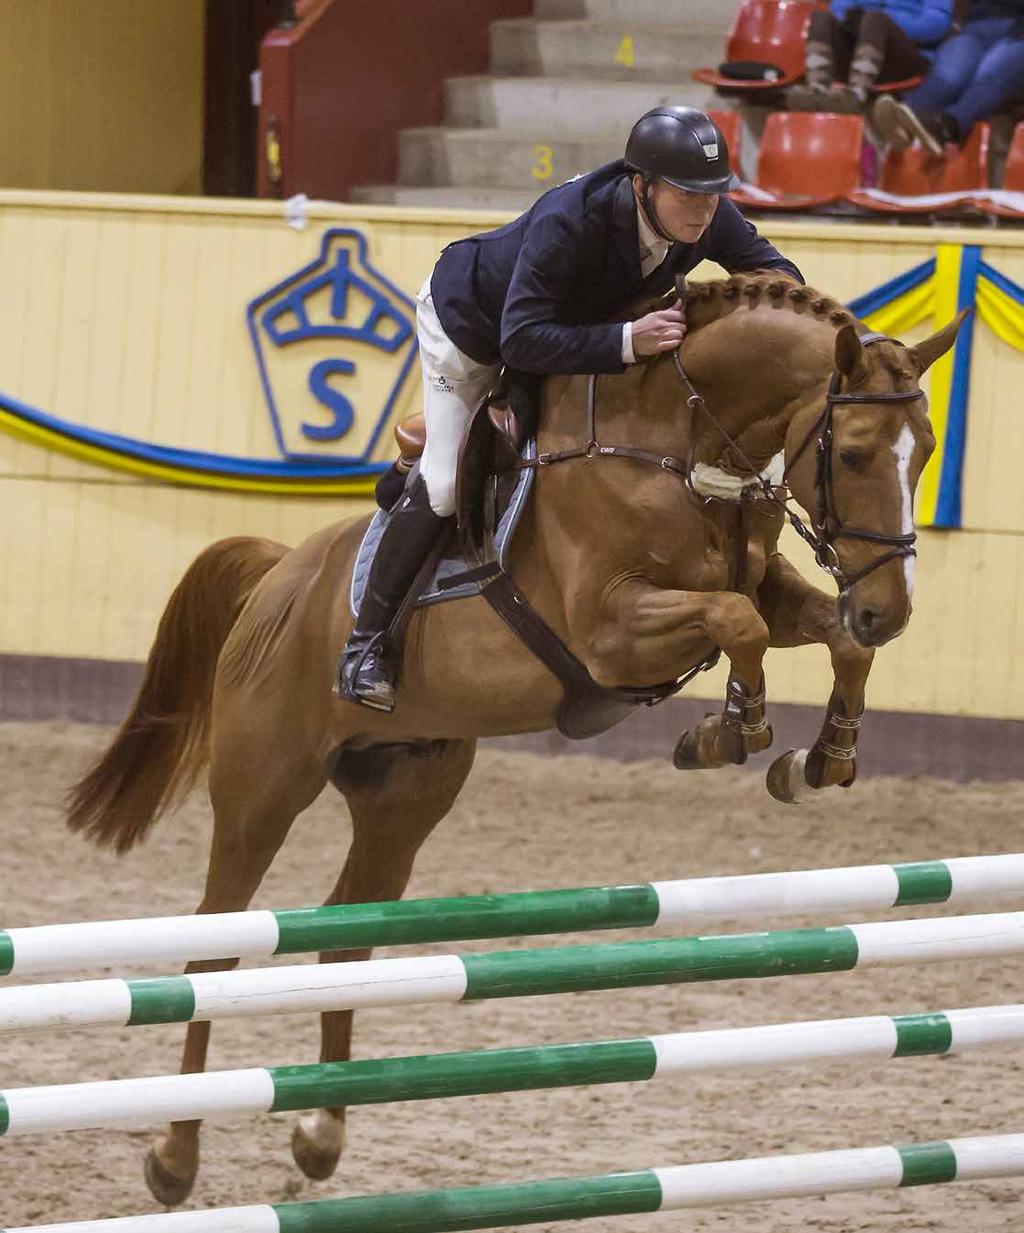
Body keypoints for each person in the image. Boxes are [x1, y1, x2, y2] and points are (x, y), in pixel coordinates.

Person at [335, 106, 804, 713]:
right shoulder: (571, 220)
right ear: (643, 184)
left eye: (713, 196)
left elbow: (777, 276)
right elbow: (521, 338)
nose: (703, 209)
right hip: (474, 329)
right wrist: (628, 341)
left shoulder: (706, 214)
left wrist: (778, 324)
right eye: (688, 194)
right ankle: (364, 646)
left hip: (571, 328)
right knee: (449, 484)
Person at [872, 0, 1024, 154]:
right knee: (948, 77)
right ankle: (903, 117)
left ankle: (947, 125)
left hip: (1018, 36)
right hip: (977, 25)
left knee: (988, 76)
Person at [787, 0, 954, 113]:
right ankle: (816, 91)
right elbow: (838, 9)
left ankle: (855, 96)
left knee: (875, 19)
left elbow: (938, 24)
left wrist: (888, 20)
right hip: (858, 51)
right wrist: (851, 20)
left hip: (905, 59)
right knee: (820, 17)